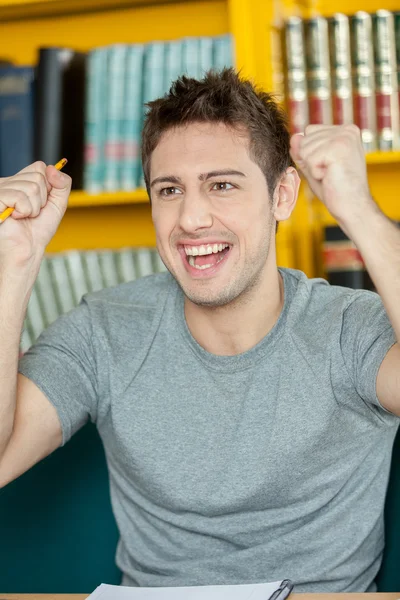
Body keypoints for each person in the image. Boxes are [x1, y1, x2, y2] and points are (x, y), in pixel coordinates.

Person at [0, 68, 399, 592]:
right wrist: (16, 262)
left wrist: (358, 210)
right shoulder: (104, 328)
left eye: (222, 185)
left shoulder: (350, 327)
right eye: (169, 190)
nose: (190, 219)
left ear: (282, 196)